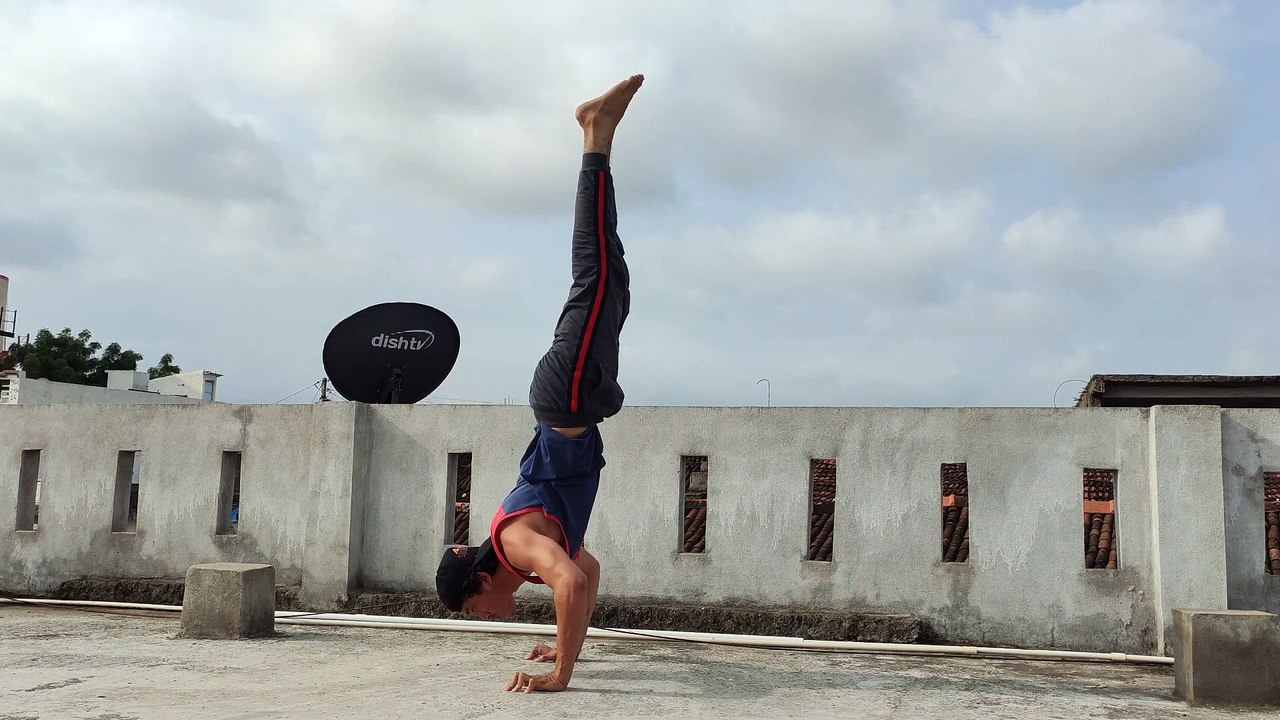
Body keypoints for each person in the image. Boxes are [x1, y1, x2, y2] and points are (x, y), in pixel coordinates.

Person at [434, 74, 644, 694]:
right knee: (611, 274)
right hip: (569, 399)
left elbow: (572, 581)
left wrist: (562, 674)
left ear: (476, 595)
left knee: (596, 265)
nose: (486, 620)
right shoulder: (522, 561)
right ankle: (595, 135)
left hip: (566, 397)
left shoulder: (517, 545)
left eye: (474, 614)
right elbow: (587, 572)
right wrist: (564, 639)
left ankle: (594, 134)